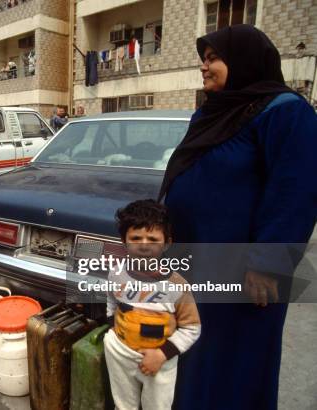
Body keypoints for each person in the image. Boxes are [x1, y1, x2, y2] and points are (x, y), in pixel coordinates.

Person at [158, 25, 317, 410]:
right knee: (196, 353)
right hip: (197, 266)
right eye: (203, 58)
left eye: (213, 58)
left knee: (236, 364)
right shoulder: (213, 113)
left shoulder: (286, 113)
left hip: (244, 274)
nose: (204, 66)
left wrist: (269, 263)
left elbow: (296, 191)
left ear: (245, 59)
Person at [103, 199, 200, 410]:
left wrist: (163, 354)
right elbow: (111, 299)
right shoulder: (116, 272)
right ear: (124, 241)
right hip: (120, 351)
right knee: (122, 403)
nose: (144, 245)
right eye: (136, 238)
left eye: (152, 239)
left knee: (157, 406)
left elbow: (192, 328)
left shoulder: (177, 286)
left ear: (167, 243)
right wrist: (112, 324)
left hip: (160, 359)